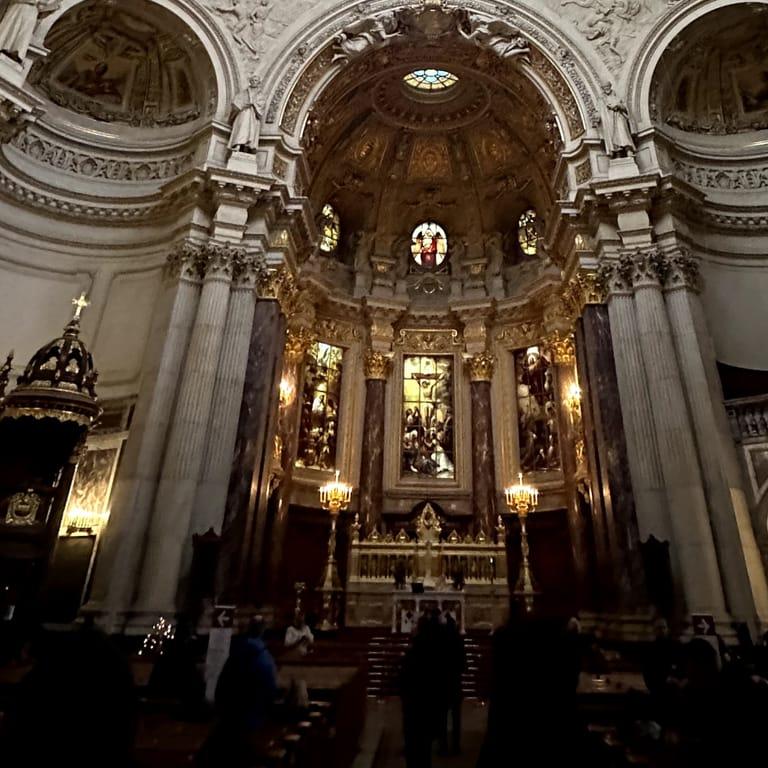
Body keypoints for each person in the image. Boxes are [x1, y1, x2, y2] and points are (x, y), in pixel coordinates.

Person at [197, 616, 277, 767]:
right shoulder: (265, 659)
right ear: (263, 631)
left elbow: (223, 684)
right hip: (252, 723)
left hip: (230, 720)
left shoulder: (236, 652)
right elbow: (269, 692)